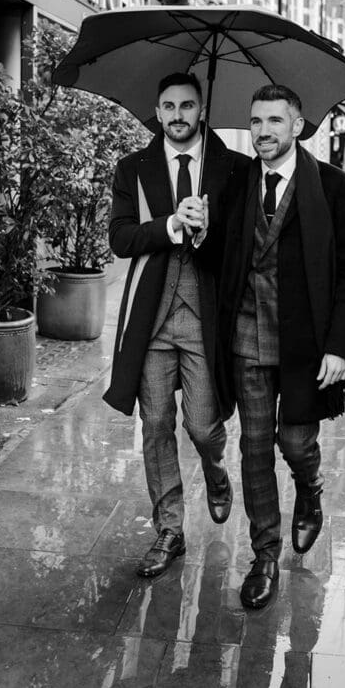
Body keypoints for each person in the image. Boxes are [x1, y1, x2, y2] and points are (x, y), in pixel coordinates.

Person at [218, 84, 345, 609]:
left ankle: (311, 488)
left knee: (295, 443)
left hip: (306, 345)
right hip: (246, 340)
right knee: (255, 447)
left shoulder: (332, 186)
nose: (263, 131)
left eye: (275, 121)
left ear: (298, 125)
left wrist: (339, 348)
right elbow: (218, 251)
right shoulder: (236, 183)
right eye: (256, 121)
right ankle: (264, 555)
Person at [104, 72, 249, 579]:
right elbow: (120, 238)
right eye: (169, 106)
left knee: (204, 425)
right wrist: (170, 224)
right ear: (158, 111)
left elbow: (246, 246)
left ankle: (215, 469)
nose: (178, 115)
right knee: (157, 425)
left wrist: (210, 231)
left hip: (204, 319)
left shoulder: (233, 169)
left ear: (201, 108)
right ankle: (169, 528)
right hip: (152, 321)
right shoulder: (132, 168)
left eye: (187, 105)